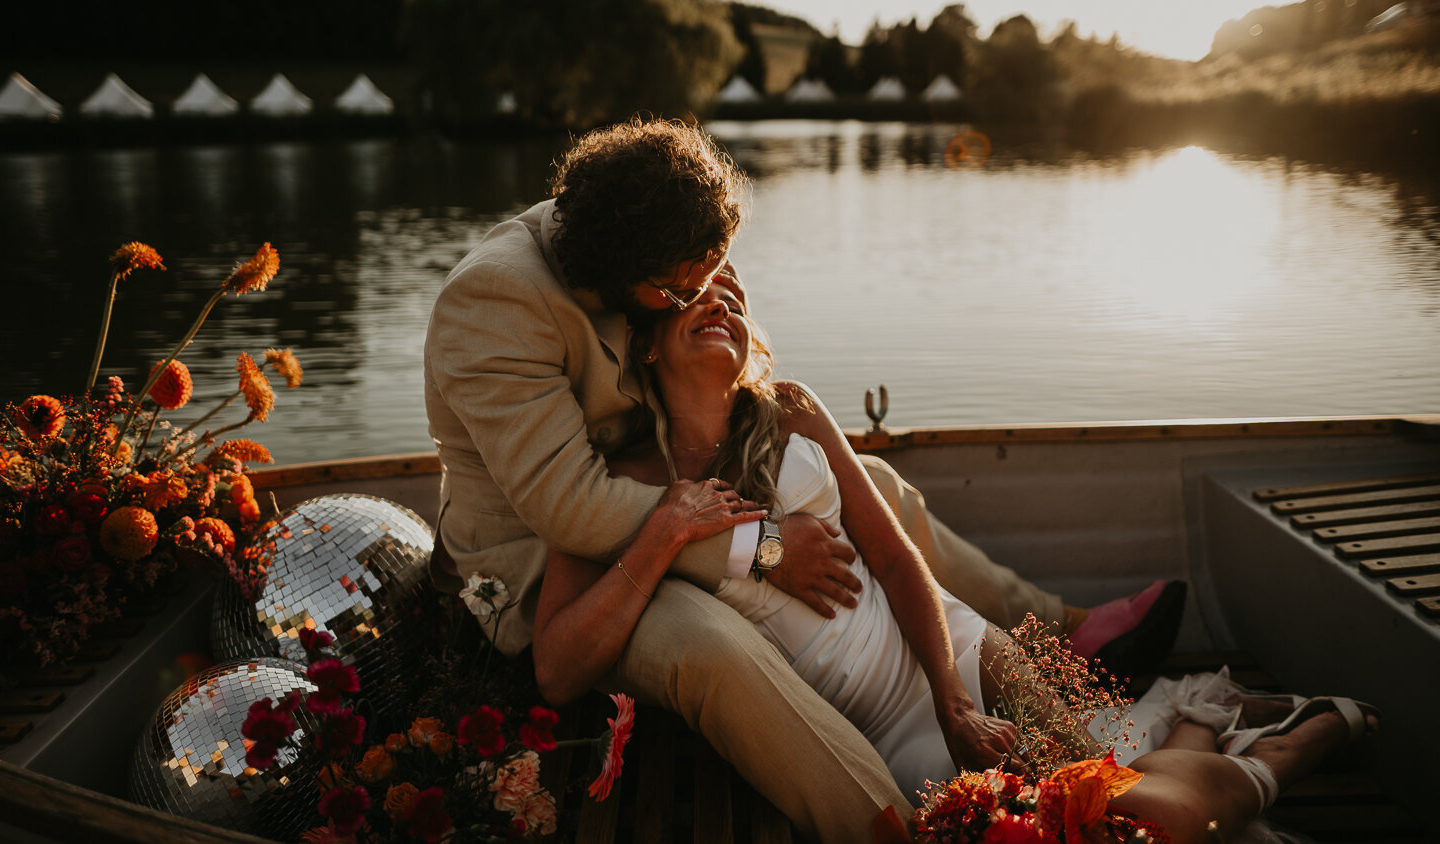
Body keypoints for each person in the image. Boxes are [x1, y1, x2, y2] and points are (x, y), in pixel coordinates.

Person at [424, 118, 1180, 839]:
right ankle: (884, 826)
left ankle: (1060, 629)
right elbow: (573, 507)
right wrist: (768, 549)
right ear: (627, 280)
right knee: (709, 643)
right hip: (551, 560)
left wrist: (759, 418)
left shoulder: (636, 222)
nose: (704, 293)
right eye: (683, 291)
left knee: (869, 482)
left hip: (664, 471)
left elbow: (707, 328)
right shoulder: (494, 301)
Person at [530, 275, 1379, 843]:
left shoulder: (789, 411)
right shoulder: (615, 482)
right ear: (642, 343)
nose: (719, 298)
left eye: (734, 290)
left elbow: (901, 567)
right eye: (692, 292)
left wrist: (952, 699)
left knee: (1120, 801)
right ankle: (1253, 748)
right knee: (1124, 816)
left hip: (963, 658)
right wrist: (664, 535)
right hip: (881, 740)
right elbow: (559, 668)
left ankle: (1256, 747)